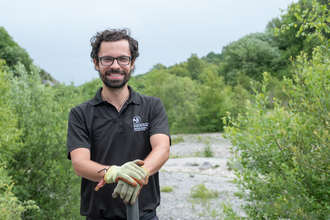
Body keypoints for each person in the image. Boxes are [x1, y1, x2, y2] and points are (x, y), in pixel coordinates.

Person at [67, 28, 171, 220]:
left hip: (145, 216)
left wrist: (138, 174)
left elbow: (162, 149)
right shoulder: (80, 113)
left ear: (132, 63)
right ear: (96, 63)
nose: (115, 66)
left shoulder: (152, 106)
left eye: (123, 59)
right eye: (107, 59)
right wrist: (113, 173)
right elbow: (79, 163)